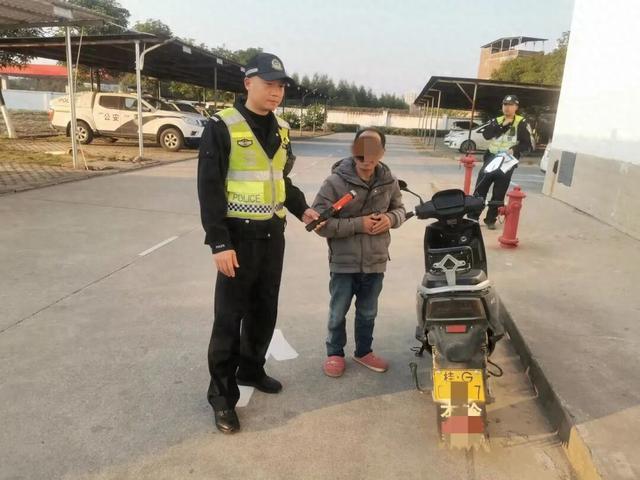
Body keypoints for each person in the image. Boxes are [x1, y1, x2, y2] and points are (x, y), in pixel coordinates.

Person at [197, 52, 319, 434]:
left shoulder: (281, 128)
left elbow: (280, 179)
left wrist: (303, 209)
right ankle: (221, 397)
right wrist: (219, 243)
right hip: (237, 238)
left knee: (264, 311)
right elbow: (209, 188)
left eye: (281, 86)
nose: (276, 92)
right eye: (269, 84)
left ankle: (251, 368)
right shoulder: (222, 126)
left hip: (272, 237)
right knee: (228, 318)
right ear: (248, 83)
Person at [312, 128, 405, 378]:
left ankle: (364, 351)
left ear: (382, 152)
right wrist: (358, 224)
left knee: (368, 312)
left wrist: (390, 219)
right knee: (338, 311)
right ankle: (334, 353)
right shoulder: (334, 183)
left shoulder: (389, 181)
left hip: (375, 261)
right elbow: (319, 223)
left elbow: (400, 209)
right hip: (344, 262)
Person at [470, 94, 534, 229]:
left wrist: (515, 149)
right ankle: (473, 217)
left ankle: (490, 219)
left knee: (499, 192)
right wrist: (501, 126)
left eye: (510, 105)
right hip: (491, 158)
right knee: (481, 188)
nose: (507, 108)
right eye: (505, 104)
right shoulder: (496, 120)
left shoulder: (522, 123)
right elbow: (486, 135)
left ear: (516, 107)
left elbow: (528, 145)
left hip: (507, 161)